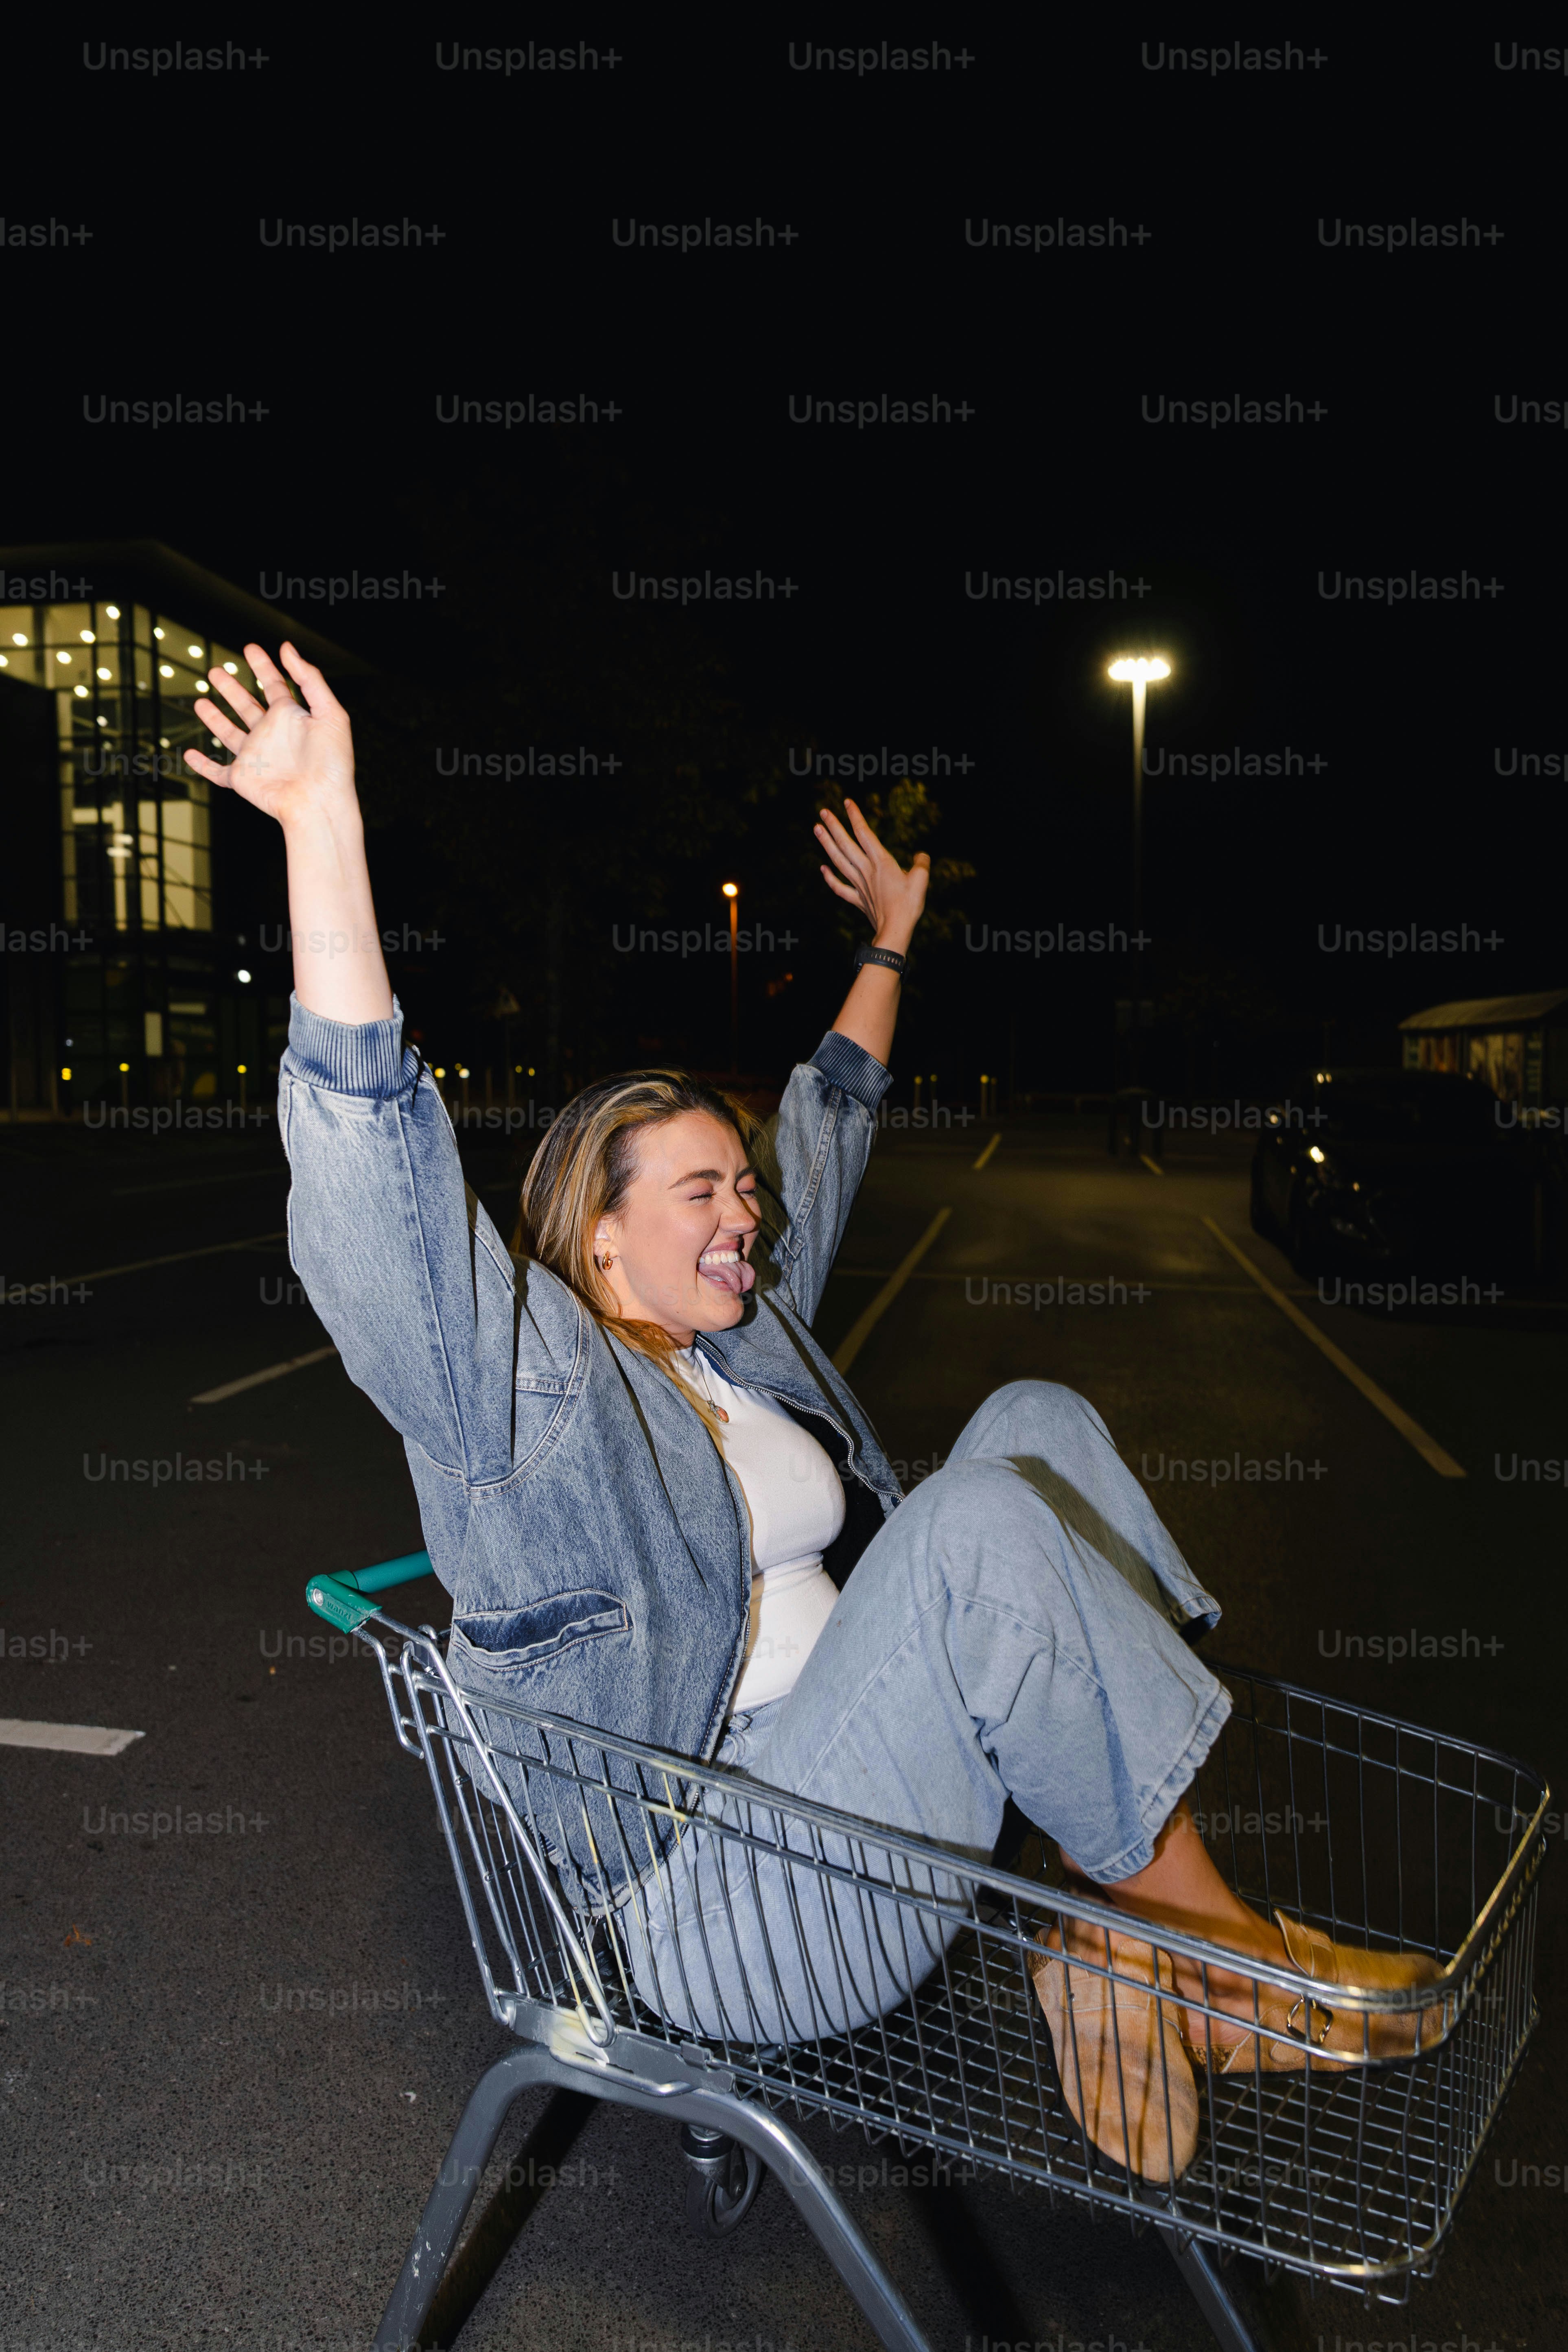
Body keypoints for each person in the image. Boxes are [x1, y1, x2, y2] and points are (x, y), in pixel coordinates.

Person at [188, 643, 1444, 2183]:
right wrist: (326, 827)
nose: (748, 1213)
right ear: (598, 1235)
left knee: (1030, 1422)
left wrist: (895, 942)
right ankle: (1208, 1950)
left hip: (860, 1794)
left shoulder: (747, 1344)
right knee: (973, 1528)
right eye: (705, 1190)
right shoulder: (536, 1397)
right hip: (729, 1893)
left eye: (745, 1187)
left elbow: (832, 1120)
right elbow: (384, 1214)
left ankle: (1113, 1926)